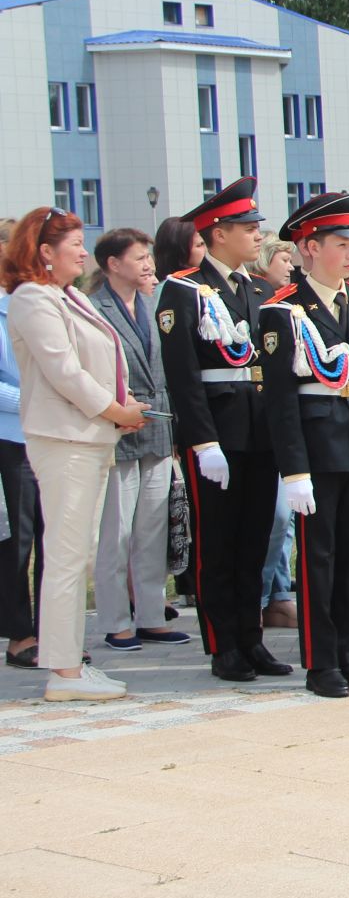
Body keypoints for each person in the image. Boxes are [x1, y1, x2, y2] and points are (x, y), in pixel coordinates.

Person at [257, 193, 349, 698]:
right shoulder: (283, 310)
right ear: (308, 247)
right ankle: (322, 662)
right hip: (318, 446)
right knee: (318, 558)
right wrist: (294, 470)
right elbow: (279, 399)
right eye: (340, 244)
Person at [5, 207, 154, 700]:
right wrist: (117, 411)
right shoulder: (32, 298)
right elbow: (63, 373)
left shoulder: (65, 295)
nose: (82, 253)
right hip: (65, 440)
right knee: (67, 558)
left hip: (88, 437)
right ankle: (64, 673)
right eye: (73, 245)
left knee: (74, 556)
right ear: (45, 252)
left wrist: (122, 407)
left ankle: (67, 664)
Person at [157, 179, 293, 683]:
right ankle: (223, 645)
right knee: (218, 543)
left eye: (258, 226)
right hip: (218, 434)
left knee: (256, 540)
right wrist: (202, 439)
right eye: (247, 227)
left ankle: (251, 638)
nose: (259, 235)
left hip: (260, 434)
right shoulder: (185, 289)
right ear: (217, 233)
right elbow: (184, 375)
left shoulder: (259, 289)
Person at [88, 228, 181, 652]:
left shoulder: (153, 303)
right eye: (139, 257)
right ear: (112, 264)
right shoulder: (94, 308)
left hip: (158, 427)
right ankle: (115, 620)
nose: (148, 263)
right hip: (119, 429)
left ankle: (150, 615)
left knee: (152, 529)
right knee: (116, 532)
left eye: (149, 256)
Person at [0, 279, 46, 671]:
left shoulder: (42, 305)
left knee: (55, 539)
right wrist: (35, 401)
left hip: (52, 436)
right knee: (18, 540)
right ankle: (20, 635)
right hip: (11, 437)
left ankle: (53, 632)